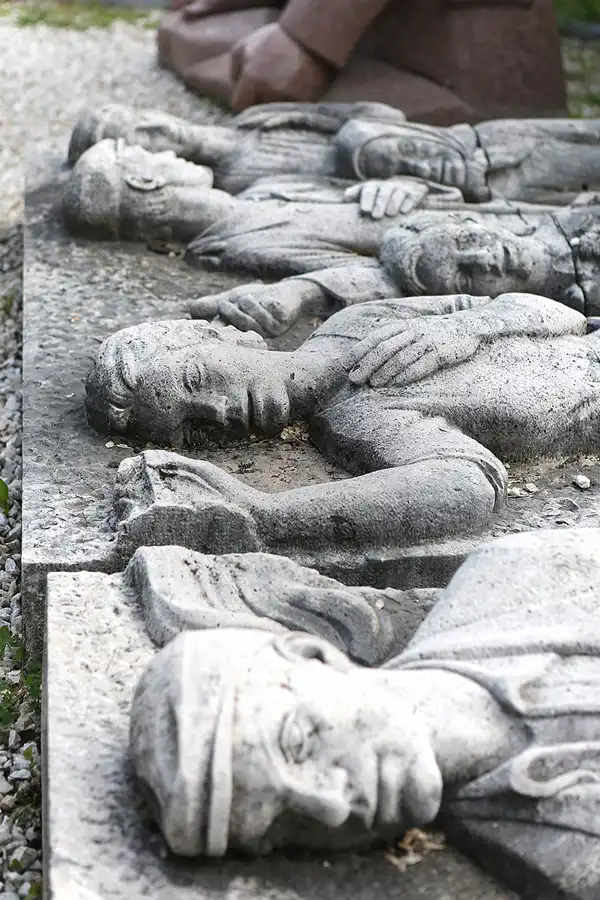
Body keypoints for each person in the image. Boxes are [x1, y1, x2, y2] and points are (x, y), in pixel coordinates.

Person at [129, 526, 600, 900]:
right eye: (282, 823)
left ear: (313, 654)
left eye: (298, 743)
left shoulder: (527, 576)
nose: (331, 806)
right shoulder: (565, 854)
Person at [86, 292, 598, 562]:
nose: (217, 411)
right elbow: (467, 484)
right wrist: (264, 515)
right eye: (193, 430)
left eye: (196, 379)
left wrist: (465, 326)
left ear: (228, 337)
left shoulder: (356, 322)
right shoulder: (358, 422)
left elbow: (552, 311)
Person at [67, 102, 600, 203]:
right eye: (144, 138)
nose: (160, 130)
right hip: (443, 178)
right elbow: (330, 199)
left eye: (146, 117)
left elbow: (370, 111)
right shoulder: (235, 181)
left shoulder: (255, 117)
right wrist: (401, 179)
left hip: (453, 142)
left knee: (578, 140)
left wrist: (372, 133)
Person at [156, 0, 566, 126]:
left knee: (216, 49)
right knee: (193, 33)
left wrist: (308, 38)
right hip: (386, 31)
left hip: (456, 61)